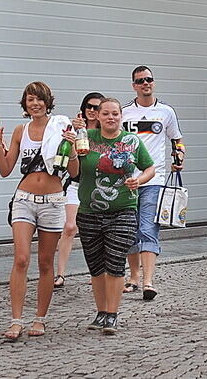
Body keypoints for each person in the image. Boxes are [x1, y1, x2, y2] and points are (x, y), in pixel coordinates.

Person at [67, 97, 155, 334]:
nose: (110, 118)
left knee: (115, 263)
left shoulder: (132, 141)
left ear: (121, 116)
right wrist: (72, 150)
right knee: (96, 266)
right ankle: (101, 312)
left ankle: (112, 314)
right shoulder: (86, 139)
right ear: (97, 116)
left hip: (123, 210)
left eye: (114, 113)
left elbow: (150, 168)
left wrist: (139, 180)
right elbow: (74, 173)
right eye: (105, 113)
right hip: (89, 212)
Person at [0, 82, 70, 340]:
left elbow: (76, 171)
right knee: (21, 258)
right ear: (24, 104)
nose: (34, 104)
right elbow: (5, 169)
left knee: (45, 262)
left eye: (39, 99)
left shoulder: (61, 128)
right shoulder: (20, 130)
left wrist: (73, 145)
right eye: (29, 100)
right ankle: (16, 320)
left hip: (53, 200)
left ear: (48, 102)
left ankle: (40, 319)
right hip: (25, 198)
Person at [121, 67, 185, 300]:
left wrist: (178, 158)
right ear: (134, 86)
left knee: (148, 228)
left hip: (154, 180)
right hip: (128, 180)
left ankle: (148, 282)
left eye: (149, 79)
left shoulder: (166, 112)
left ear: (153, 83)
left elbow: (177, 138)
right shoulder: (125, 112)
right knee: (130, 229)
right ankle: (133, 277)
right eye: (140, 81)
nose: (145, 83)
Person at [55, 92, 104, 289]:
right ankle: (60, 274)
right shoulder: (73, 129)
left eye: (96, 107)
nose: (92, 111)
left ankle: (99, 273)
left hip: (99, 185)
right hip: (76, 183)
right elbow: (63, 155)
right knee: (69, 227)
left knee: (99, 230)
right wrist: (72, 134)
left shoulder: (106, 131)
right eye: (89, 107)